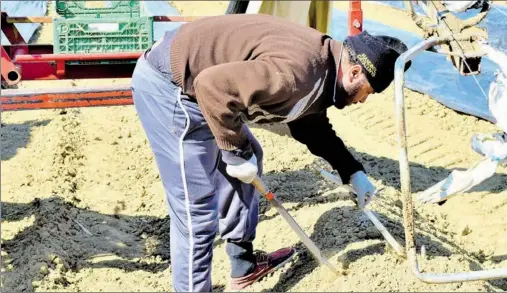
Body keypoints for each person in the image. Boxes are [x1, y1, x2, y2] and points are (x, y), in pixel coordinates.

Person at [130, 13, 411, 292]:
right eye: (368, 92)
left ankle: (243, 265)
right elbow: (211, 87)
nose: (362, 100)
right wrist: (234, 151)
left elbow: (309, 123)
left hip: (203, 87)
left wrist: (350, 170)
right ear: (354, 73)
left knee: (251, 159)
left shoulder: (322, 66)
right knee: (196, 208)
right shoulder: (297, 73)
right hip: (170, 85)